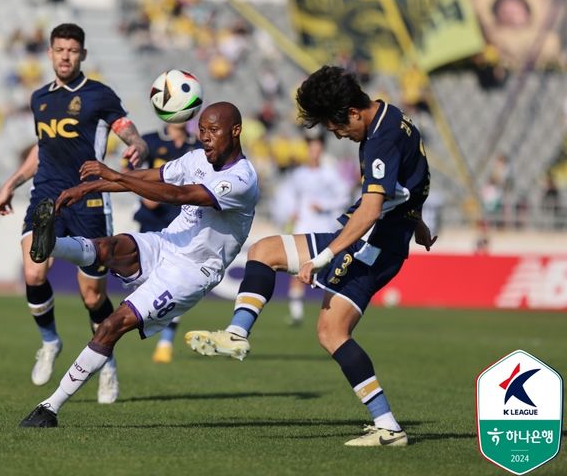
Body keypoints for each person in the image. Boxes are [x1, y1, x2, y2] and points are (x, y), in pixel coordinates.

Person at [184, 66, 437, 446]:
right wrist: (415, 223)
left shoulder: (381, 137)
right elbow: (414, 180)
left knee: (322, 320)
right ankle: (237, 333)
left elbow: (371, 210)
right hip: (378, 239)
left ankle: (387, 426)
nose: (336, 134)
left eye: (336, 126)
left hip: (369, 244)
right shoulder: (393, 118)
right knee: (280, 271)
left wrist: (326, 256)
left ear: (353, 111)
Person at [19, 101, 259, 427]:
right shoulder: (196, 158)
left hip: (191, 271)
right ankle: (50, 244)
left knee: (111, 325)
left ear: (235, 131)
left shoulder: (242, 179)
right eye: (201, 130)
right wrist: (93, 185)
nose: (205, 137)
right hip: (168, 242)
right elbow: (153, 175)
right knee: (111, 246)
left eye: (213, 131)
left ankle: (50, 407)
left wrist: (113, 175)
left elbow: (176, 195)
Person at [0, 23, 148, 404]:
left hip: (87, 200)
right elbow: (42, 150)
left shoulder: (99, 95)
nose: (65, 56)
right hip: (46, 195)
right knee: (33, 268)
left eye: (72, 50)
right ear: (49, 53)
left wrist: (138, 142)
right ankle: (49, 341)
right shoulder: (39, 98)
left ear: (83, 55)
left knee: (92, 296)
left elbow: (125, 128)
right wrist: (12, 182)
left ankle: (106, 365)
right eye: (59, 49)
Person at [133, 123, 202, 364]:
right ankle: (153, 325)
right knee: (146, 283)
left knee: (176, 283)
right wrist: (148, 194)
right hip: (151, 221)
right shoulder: (150, 141)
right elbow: (134, 173)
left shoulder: (198, 145)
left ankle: (165, 342)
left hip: (183, 225)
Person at [283, 131, 350, 326]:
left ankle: (334, 313)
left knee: (330, 271)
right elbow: (289, 197)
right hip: (303, 225)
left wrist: (325, 205)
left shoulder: (330, 174)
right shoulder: (298, 175)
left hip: (324, 227)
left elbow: (344, 196)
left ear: (321, 150)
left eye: (317, 148)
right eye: (311, 148)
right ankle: (296, 313)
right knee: (298, 268)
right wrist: (291, 211)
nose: (314, 152)